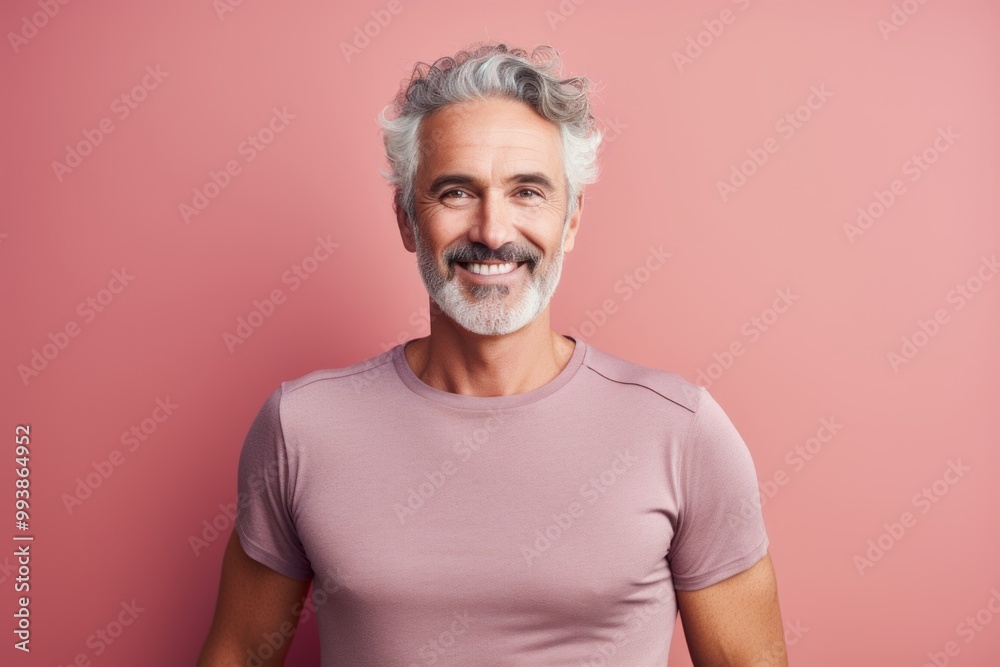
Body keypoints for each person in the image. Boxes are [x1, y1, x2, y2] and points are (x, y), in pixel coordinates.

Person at [198, 41, 788, 666]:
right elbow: (238, 653)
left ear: (573, 219)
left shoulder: (681, 431)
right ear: (406, 219)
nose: (493, 231)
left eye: (528, 191)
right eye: (456, 192)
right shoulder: (301, 426)